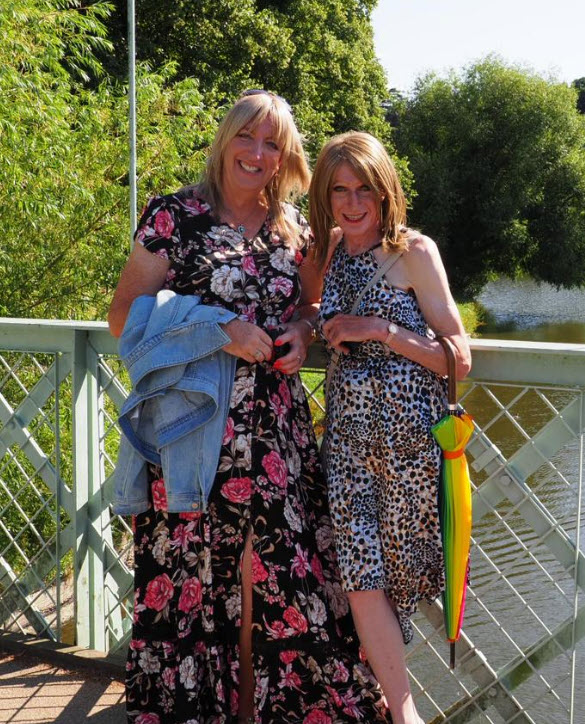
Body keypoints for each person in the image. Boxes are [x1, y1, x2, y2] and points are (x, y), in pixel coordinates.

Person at [109, 94, 392, 724]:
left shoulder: (296, 230)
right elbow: (124, 316)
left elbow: (314, 308)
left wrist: (302, 332)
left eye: (272, 144)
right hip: (191, 436)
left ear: (286, 155)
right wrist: (218, 328)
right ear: (226, 140)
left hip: (277, 441)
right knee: (193, 584)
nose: (257, 154)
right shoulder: (173, 218)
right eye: (247, 138)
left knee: (288, 579)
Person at [309, 131, 472, 724]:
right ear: (327, 196)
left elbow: (459, 357)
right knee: (360, 577)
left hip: (409, 449)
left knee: (398, 576)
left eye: (365, 191)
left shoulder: (414, 252)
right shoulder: (326, 251)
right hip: (348, 444)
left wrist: (380, 329)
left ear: (386, 193)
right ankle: (405, 716)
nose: (353, 205)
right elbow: (307, 314)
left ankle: (382, 698)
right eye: (340, 191)